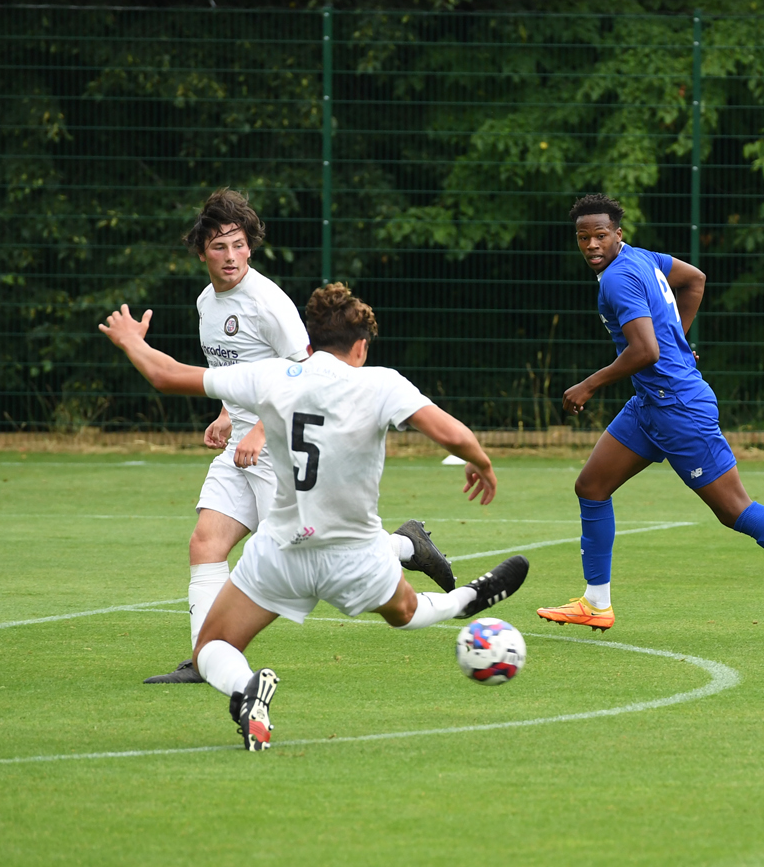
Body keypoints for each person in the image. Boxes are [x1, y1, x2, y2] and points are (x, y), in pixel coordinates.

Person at [100, 283, 529, 750]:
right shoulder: (382, 382)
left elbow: (166, 375)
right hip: (355, 553)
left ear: (313, 337)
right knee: (404, 614)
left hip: (282, 550)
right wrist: (480, 462)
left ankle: (247, 691)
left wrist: (131, 341)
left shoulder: (270, 375)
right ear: (361, 346)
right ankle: (465, 600)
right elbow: (451, 432)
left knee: (210, 650)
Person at [145, 191, 461, 684]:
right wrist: (229, 414)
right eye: (218, 247)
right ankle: (203, 658)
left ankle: (402, 546)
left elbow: (304, 374)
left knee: (316, 548)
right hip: (240, 446)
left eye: (238, 245)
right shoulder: (207, 301)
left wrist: (261, 429)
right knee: (205, 543)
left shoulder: (268, 302)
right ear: (201, 251)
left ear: (250, 248)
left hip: (280, 449)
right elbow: (233, 368)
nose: (230, 257)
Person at [536, 194, 764, 633]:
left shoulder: (618, 278)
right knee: (592, 486)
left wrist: (589, 384)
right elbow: (695, 280)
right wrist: (677, 337)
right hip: (651, 403)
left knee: (734, 510)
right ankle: (596, 603)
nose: (592, 244)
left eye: (600, 235)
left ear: (618, 234)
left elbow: (646, 351)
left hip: (678, 407)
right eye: (583, 237)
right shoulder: (644, 258)